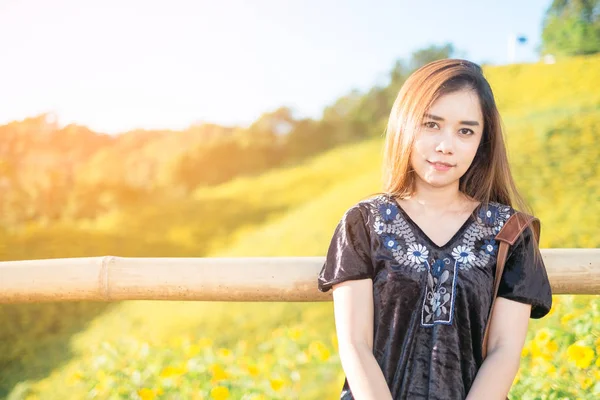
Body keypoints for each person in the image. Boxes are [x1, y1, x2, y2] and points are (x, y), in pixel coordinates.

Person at [317, 59, 553, 400]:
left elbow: (504, 350)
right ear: (405, 125)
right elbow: (355, 345)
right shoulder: (363, 223)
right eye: (432, 125)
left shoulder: (510, 233)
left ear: (482, 142)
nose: (446, 145)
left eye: (465, 131)